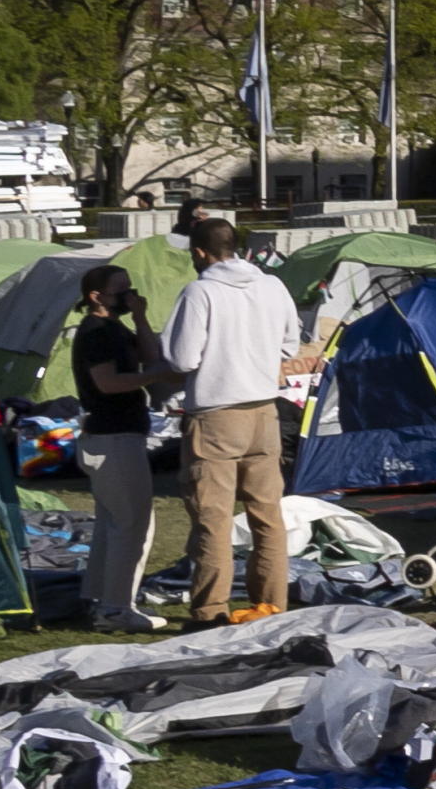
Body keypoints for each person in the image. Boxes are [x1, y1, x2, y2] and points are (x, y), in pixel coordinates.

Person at [159, 218, 308, 622]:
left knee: (213, 520)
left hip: (216, 415)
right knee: (268, 517)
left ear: (200, 253)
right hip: (264, 412)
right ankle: (272, 604)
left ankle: (210, 611)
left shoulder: (201, 291)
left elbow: (182, 358)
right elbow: (289, 344)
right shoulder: (272, 286)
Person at [67, 266, 180, 634]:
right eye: (121, 293)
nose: (128, 297)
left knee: (113, 524)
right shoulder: (96, 332)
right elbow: (108, 382)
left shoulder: (115, 329)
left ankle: (101, 597)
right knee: (133, 524)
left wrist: (142, 316)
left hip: (117, 435)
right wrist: (155, 379)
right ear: (96, 296)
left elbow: (150, 356)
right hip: (112, 437)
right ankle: (116, 607)